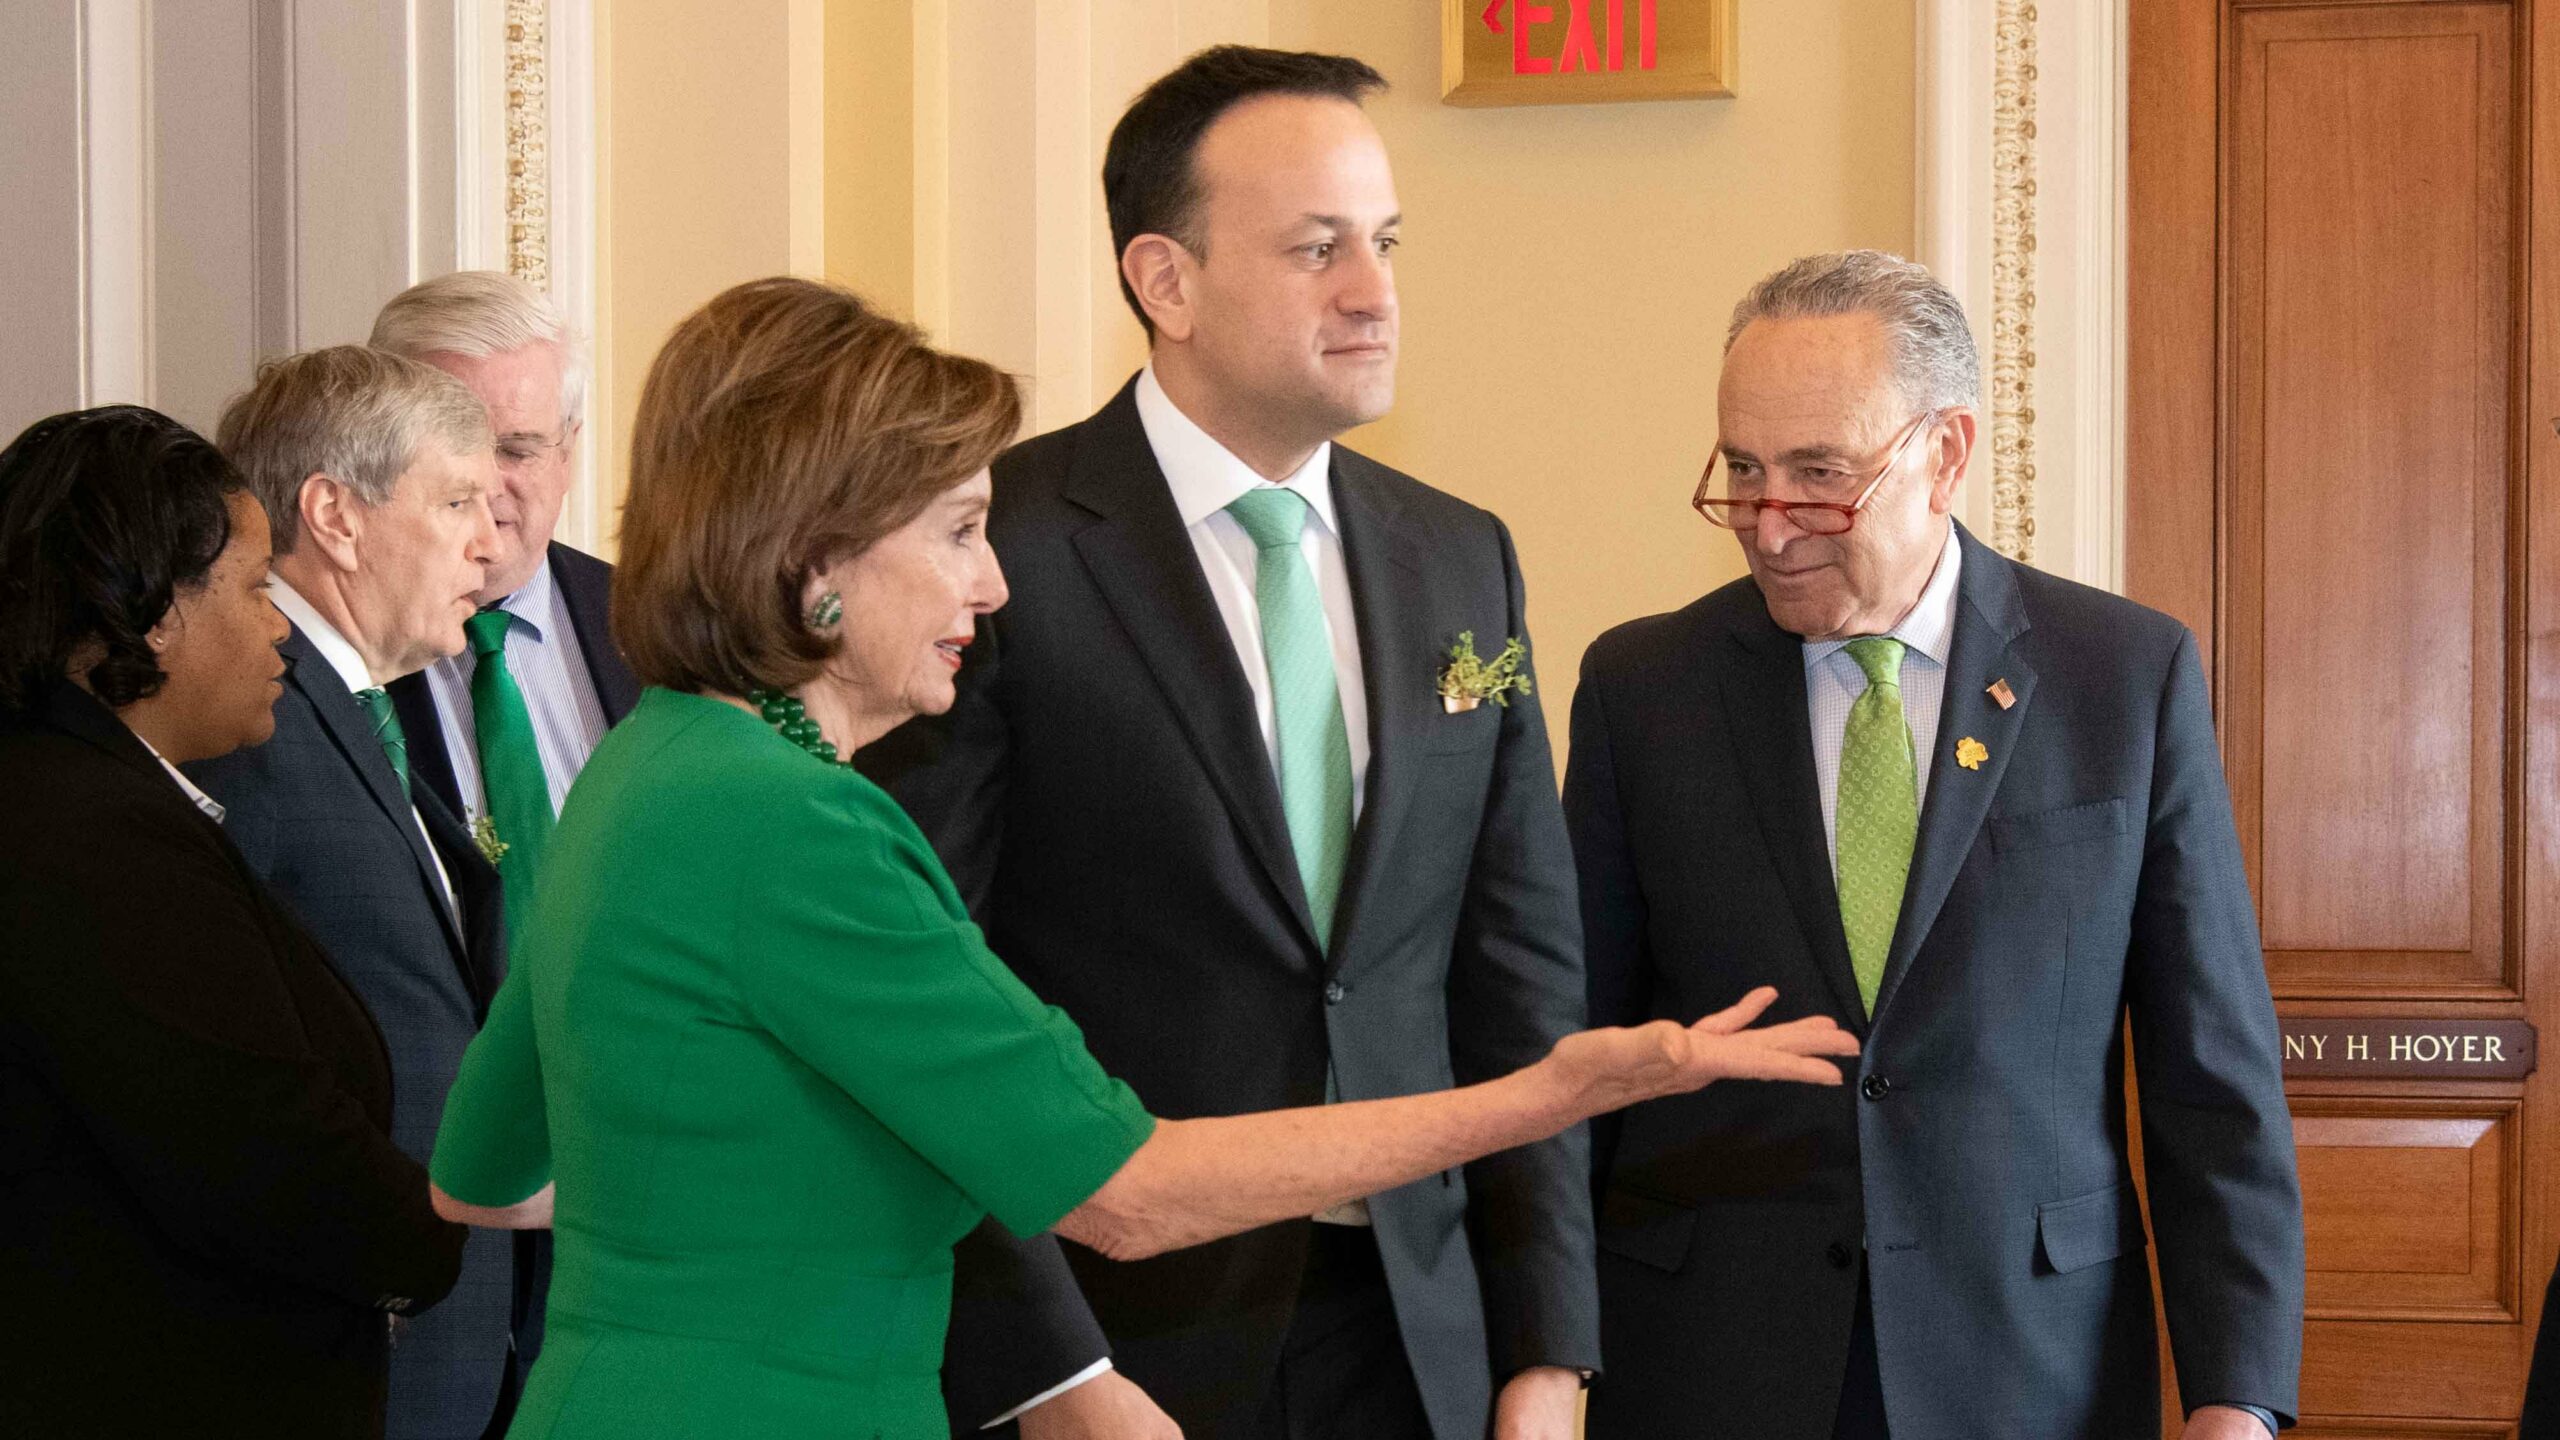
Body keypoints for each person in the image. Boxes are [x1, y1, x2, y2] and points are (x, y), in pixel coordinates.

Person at [424, 275, 1860, 1440]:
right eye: (963, 532)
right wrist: (1541, 1094)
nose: (992, 583)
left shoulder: (643, 761)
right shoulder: (798, 826)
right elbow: (1133, 1192)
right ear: (821, 562)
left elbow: (481, 1173)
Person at [860, 46, 1596, 1440]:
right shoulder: (993, 551)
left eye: (1383, 243)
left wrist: (1546, 1359)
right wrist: (1054, 1375)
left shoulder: (1459, 559)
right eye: (1319, 249)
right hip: (1126, 1348)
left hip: (1423, 1345)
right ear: (1166, 280)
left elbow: (1521, 982)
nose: (1374, 292)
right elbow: (929, 1013)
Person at [1564, 251, 2305, 1440]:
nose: (1769, 525)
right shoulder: (1642, 689)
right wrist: (1547, 1356)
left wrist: (2237, 1397)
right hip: (1713, 1361)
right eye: (1743, 473)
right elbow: (1581, 1058)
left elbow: (2209, 1072)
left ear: (1945, 454)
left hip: (2024, 1368)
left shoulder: (2121, 677)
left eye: (1819, 477)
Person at [0, 406, 466, 1437]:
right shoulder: (93, 833)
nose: (281, 627)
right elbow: (262, 1143)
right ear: (153, 611)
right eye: (256, 586)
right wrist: (426, 1241)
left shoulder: (79, 799)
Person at [183, 348, 527, 1440]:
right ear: (334, 513)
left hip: (439, 1328)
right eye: (459, 499)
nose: (492, 537)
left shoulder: (363, 711)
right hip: (339, 1343)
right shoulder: (253, 711)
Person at [371, 271, 642, 943]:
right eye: (454, 446)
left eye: (517, 449)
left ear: (570, 451)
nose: (486, 484)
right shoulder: (328, 655)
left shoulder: (656, 627)